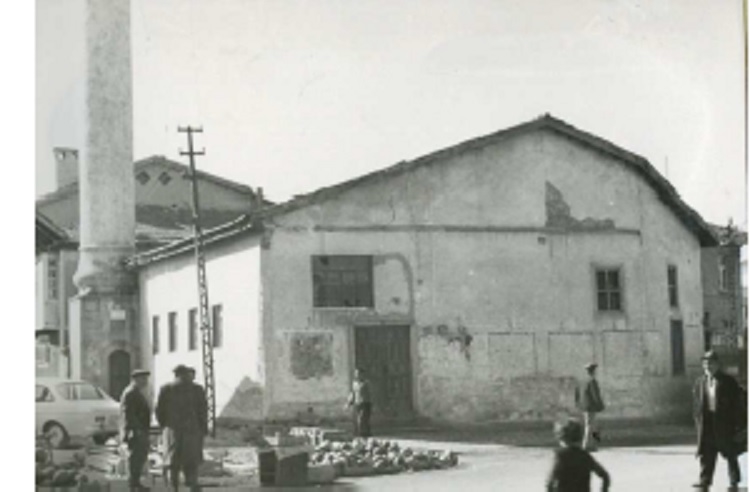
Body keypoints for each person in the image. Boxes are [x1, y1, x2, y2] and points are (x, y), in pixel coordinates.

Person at [693, 350, 746, 490]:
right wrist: (698, 421)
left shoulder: (728, 382)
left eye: (710, 363)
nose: (707, 366)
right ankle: (705, 481)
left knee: (730, 453)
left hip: (725, 423)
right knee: (707, 453)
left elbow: (738, 404)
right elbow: (697, 404)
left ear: (717, 364)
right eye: (705, 363)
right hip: (707, 423)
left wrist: (740, 425)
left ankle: (734, 482)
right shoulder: (700, 382)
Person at [156, 364, 208, 491]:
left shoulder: (166, 389)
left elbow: (159, 411)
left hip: (172, 431)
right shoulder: (197, 389)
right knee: (191, 461)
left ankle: (173, 488)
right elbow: (203, 411)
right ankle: (192, 485)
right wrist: (203, 428)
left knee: (172, 462)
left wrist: (165, 426)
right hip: (192, 430)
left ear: (175, 375)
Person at [546, 419, 610, 492]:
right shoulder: (585, 456)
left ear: (561, 438)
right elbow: (605, 477)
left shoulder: (560, 456)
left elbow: (550, 483)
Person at [119, 369, 152, 491]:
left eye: (146, 379)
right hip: (135, 431)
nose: (146, 381)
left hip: (139, 430)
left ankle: (135, 482)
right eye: (143, 379)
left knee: (139, 456)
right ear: (136, 379)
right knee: (135, 457)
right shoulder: (131, 393)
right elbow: (129, 414)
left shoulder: (135, 392)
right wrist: (136, 429)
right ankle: (133, 483)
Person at [575, 363, 605, 451]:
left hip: (584, 407)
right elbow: (595, 395)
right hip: (591, 407)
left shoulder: (581, 382)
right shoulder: (592, 381)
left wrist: (579, 404)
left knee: (590, 425)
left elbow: (577, 395)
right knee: (590, 426)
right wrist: (600, 405)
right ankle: (587, 445)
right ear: (593, 372)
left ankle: (590, 445)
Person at [346, 369, 372, 438]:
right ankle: (363, 435)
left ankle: (364, 434)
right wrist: (348, 403)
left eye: (359, 374)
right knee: (358, 420)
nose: (357, 375)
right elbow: (353, 393)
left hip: (365, 403)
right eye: (356, 374)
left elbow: (370, 393)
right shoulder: (355, 384)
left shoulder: (366, 383)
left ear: (362, 374)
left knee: (362, 419)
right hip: (357, 404)